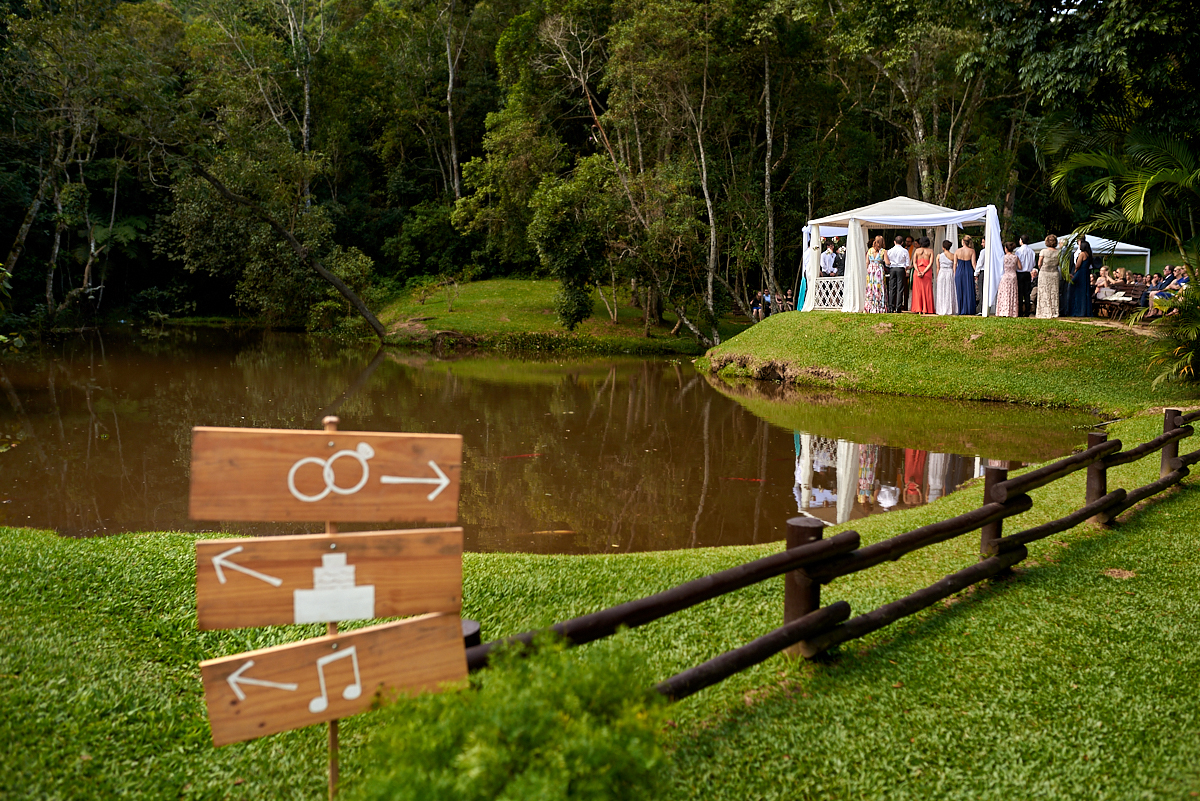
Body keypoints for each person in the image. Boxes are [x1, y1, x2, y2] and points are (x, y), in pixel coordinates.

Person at [1067, 240, 1095, 317]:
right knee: (1084, 291)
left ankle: (1076, 309)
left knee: (1073, 287)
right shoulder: (1089, 254)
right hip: (1085, 273)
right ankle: (1085, 310)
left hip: (1080, 272)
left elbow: (1077, 265)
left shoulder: (1082, 254)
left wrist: (1074, 272)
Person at [1036, 234, 1060, 318]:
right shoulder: (1058, 252)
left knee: (1044, 291)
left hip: (1044, 272)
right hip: (1054, 273)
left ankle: (1044, 311)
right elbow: (1059, 263)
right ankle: (1054, 311)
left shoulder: (1043, 251)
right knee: (1053, 292)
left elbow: (1039, 263)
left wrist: (1042, 268)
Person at [910, 236, 935, 314]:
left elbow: (914, 262)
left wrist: (917, 271)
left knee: (917, 290)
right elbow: (930, 263)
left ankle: (918, 308)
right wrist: (924, 272)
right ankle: (926, 308)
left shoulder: (917, 251)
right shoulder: (930, 251)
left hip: (918, 271)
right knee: (927, 290)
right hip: (927, 272)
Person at [954, 235, 977, 315]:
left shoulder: (957, 251)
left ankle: (961, 309)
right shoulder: (972, 251)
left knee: (960, 290)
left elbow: (955, 264)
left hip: (959, 272)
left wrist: (955, 273)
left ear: (963, 242)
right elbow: (973, 263)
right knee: (969, 289)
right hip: (968, 271)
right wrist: (977, 272)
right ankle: (969, 309)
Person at [995, 241, 1020, 317]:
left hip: (1006, 275)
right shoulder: (1015, 257)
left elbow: (1000, 267)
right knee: (1012, 293)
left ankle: (1003, 311)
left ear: (1006, 248)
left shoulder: (1003, 257)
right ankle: (1012, 311)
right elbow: (1020, 267)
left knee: (1004, 293)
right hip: (1013, 275)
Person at [886, 235, 910, 313]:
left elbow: (887, 263)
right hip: (901, 269)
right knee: (900, 288)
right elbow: (907, 264)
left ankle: (890, 306)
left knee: (892, 288)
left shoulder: (890, 251)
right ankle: (898, 307)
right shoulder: (905, 251)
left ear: (894, 242)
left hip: (892, 268)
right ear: (902, 242)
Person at [865, 235, 888, 313]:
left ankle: (870, 306)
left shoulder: (869, 251)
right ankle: (880, 306)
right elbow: (887, 262)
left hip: (871, 270)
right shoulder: (883, 251)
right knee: (879, 287)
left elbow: (867, 262)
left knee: (871, 287)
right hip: (879, 270)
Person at [1015, 234, 1035, 316]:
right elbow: (1033, 263)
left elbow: (1017, 263)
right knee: (1027, 293)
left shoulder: (1018, 251)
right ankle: (1027, 311)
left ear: (1021, 241)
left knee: (1020, 293)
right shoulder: (1032, 251)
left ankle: (1020, 311)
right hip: (1028, 273)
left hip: (1020, 273)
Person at [935, 239, 957, 315]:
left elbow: (938, 267)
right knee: (949, 290)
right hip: (950, 273)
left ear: (943, 247)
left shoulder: (939, 256)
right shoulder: (953, 256)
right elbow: (955, 267)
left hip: (942, 272)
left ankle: (941, 309)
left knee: (941, 291)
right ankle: (949, 308)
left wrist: (937, 276)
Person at [975, 237, 987, 313]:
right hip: (991, 273)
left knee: (982, 291)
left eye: (983, 242)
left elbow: (980, 263)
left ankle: (982, 308)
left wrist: (976, 273)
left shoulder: (983, 252)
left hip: (983, 272)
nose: (982, 244)